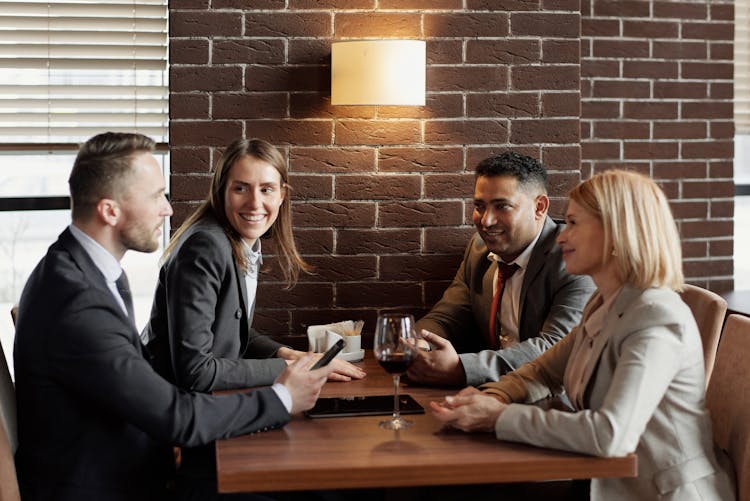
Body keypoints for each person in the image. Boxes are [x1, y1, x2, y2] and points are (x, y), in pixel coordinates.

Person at [13, 132, 334, 501]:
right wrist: (283, 398)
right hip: (116, 486)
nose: (167, 209)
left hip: (138, 464)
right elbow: (178, 418)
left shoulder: (78, 270)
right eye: (155, 196)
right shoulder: (78, 301)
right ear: (110, 211)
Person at [431, 170, 736, 500]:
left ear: (618, 232)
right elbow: (545, 370)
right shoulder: (604, 301)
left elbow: (610, 436)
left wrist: (500, 418)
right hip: (601, 483)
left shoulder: (656, 318)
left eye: (574, 223)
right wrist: (494, 396)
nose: (561, 237)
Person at [142, 138, 364, 498]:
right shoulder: (207, 247)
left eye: (266, 189)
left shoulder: (235, 241)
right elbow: (196, 371)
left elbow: (235, 332)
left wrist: (286, 355)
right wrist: (293, 373)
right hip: (182, 438)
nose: (255, 203)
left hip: (205, 418)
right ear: (221, 191)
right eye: (241, 189)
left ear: (282, 194)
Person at [408, 152, 595, 387]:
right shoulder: (478, 250)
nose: (486, 221)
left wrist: (462, 369)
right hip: (493, 393)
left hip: (553, 400)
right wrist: (419, 344)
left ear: (539, 207)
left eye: (502, 206)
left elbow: (555, 348)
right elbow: (447, 317)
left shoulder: (572, 258)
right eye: (479, 206)